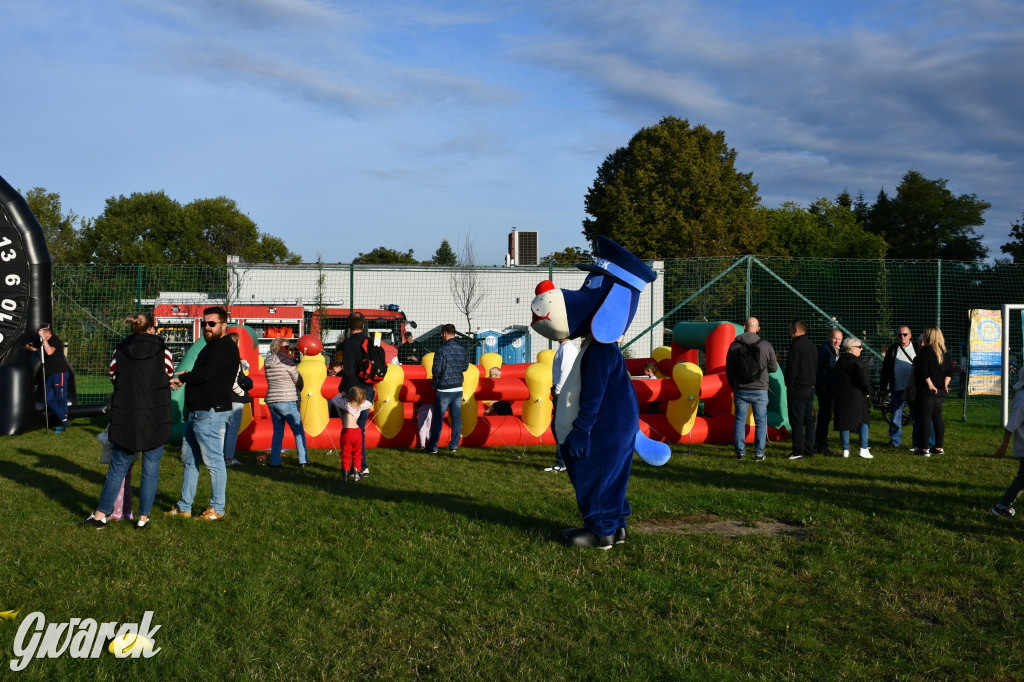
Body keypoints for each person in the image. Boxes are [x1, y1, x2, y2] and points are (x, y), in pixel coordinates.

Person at [82, 313, 173, 529]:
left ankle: (100, 516)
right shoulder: (164, 351)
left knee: (117, 468)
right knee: (151, 469)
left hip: (127, 415)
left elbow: (114, 377)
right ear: (152, 328)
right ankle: (143, 518)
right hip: (156, 416)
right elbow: (168, 376)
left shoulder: (120, 350)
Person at [166, 306, 240, 521]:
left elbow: (207, 374)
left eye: (212, 323)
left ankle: (217, 508)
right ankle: (184, 506)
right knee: (189, 461)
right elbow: (204, 373)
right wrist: (187, 375)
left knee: (214, 462)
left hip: (211, 413)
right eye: (204, 323)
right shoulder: (211, 346)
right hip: (197, 413)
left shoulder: (225, 347)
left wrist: (184, 378)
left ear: (223, 325)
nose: (207, 327)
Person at [725, 317, 778, 461]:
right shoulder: (766, 345)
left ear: (744, 327)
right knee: (760, 422)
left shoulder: (734, 346)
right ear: (758, 328)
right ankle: (759, 453)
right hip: (760, 389)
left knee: (740, 421)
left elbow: (729, 369)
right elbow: (774, 368)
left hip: (740, 388)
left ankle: (740, 453)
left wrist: (733, 384)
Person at [424, 323, 469, 454]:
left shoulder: (441, 350)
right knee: (456, 418)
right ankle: (454, 445)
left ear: (444, 334)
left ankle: (433, 446)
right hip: (457, 387)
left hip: (444, 388)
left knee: (438, 419)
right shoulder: (462, 349)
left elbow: (436, 370)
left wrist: (435, 384)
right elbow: (465, 367)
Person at [264, 337, 309, 468]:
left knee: (278, 433)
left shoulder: (268, 361)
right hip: (287, 399)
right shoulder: (287, 361)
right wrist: (300, 387)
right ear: (278, 348)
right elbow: (298, 380)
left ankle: (275, 461)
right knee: (298, 430)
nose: (289, 349)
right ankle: (303, 460)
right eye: (286, 347)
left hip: (272, 400)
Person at [340, 312, 375, 474]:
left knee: (352, 428)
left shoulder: (349, 343)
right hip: (368, 387)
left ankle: (356, 465)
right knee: (360, 428)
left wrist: (343, 390)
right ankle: (361, 466)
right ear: (363, 325)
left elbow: (348, 370)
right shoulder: (370, 342)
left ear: (349, 326)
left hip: (354, 389)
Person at [912, 325, 952, 457]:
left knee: (925, 418)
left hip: (926, 390)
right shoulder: (944, 352)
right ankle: (939, 447)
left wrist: (929, 384)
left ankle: (924, 448)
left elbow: (922, 369)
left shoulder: (926, 350)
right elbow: (950, 371)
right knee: (937, 418)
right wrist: (944, 385)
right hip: (940, 390)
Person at [25, 323, 72, 433]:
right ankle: (64, 420)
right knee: (48, 399)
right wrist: (31, 348)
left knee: (61, 398)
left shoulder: (54, 340)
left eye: (41, 333)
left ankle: (63, 423)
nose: (40, 336)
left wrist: (43, 340)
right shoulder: (41, 340)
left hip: (59, 373)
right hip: (50, 374)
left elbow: (49, 352)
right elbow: (27, 345)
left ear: (47, 333)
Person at [833, 336, 872, 459]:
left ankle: (845, 449)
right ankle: (864, 448)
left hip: (842, 396)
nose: (861, 349)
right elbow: (863, 380)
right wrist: (867, 391)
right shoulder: (857, 363)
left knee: (844, 422)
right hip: (857, 395)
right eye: (859, 347)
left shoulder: (839, 361)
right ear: (852, 348)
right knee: (864, 419)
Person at [879, 326, 917, 449]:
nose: (902, 337)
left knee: (916, 415)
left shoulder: (917, 348)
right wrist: (883, 387)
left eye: (905, 334)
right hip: (897, 387)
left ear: (910, 335)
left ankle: (917, 442)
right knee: (896, 414)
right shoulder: (893, 349)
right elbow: (885, 369)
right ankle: (895, 441)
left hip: (913, 388)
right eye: (899, 335)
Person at [991, 376, 1024, 518]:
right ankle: (1002, 506)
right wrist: (1004, 446)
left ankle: (1003, 506)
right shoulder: (1022, 399)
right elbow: (1011, 425)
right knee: (1022, 479)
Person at [785, 320, 817, 459]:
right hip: (810, 386)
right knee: (809, 419)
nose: (789, 332)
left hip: (798, 387)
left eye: (790, 330)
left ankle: (798, 450)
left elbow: (793, 367)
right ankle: (809, 449)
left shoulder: (796, 346)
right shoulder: (812, 345)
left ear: (796, 330)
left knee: (797, 419)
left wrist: (789, 383)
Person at [546, 337, 578, 472]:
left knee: (560, 426)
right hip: (562, 390)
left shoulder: (567, 348)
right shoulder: (564, 347)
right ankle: (565, 458)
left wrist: (558, 390)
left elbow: (566, 370)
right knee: (558, 426)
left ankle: (562, 461)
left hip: (563, 391)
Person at [330, 386, 373, 482]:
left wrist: (342, 394)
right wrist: (361, 400)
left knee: (346, 453)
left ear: (349, 395)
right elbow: (369, 403)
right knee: (357, 453)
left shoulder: (345, 404)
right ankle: (357, 474)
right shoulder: (361, 405)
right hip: (357, 432)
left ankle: (345, 474)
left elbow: (334, 400)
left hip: (347, 432)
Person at [223, 332, 252, 467]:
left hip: (224, 396)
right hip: (235, 397)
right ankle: (229, 458)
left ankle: (222, 456)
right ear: (237, 342)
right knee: (233, 429)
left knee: (224, 428)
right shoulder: (234, 359)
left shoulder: (223, 358)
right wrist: (242, 393)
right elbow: (233, 382)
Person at [815, 329, 843, 455]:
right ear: (829, 337)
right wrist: (821, 384)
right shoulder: (824, 350)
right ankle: (821, 444)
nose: (837, 341)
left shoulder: (835, 350)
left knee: (826, 415)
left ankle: (820, 441)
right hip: (825, 388)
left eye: (839, 339)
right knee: (824, 415)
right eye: (835, 338)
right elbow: (819, 368)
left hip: (831, 387)